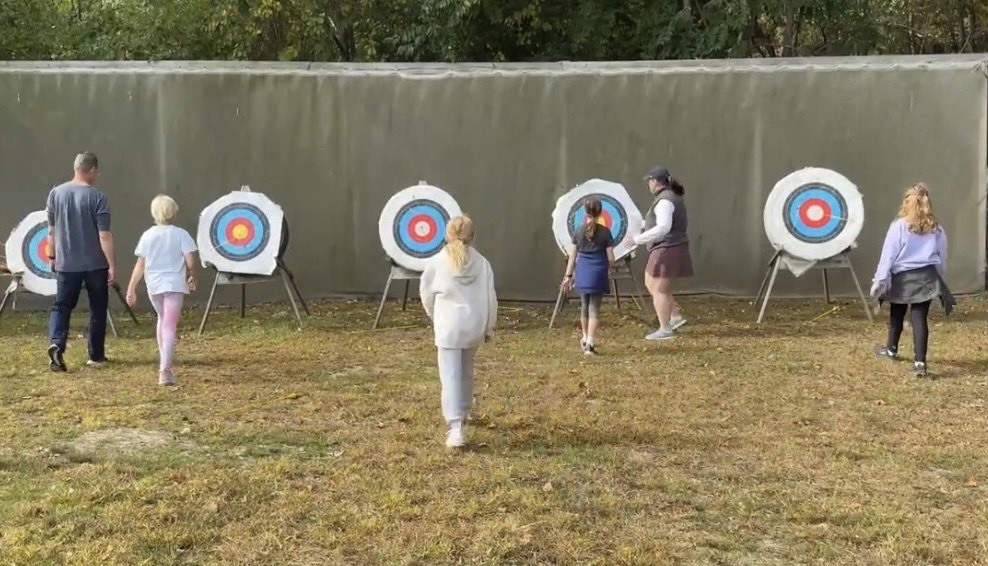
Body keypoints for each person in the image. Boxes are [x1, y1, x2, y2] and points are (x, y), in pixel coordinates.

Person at [419, 215, 497, 449]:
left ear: (446, 235)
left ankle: (456, 429)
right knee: (465, 370)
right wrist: (489, 326)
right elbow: (490, 298)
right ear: (472, 237)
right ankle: (463, 411)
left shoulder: (436, 262)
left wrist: (435, 316)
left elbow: (426, 296)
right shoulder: (482, 263)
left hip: (448, 327)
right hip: (474, 325)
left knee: (450, 375)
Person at [871, 183, 954, 377]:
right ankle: (919, 364)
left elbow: (888, 256)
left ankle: (891, 350)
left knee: (896, 316)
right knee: (919, 318)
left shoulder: (898, 227)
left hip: (902, 278)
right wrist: (941, 278)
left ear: (906, 203)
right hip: (926, 277)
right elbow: (942, 258)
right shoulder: (937, 228)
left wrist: (880, 280)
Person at [45, 152, 116, 371]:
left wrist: (52, 256)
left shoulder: (55, 194)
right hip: (95, 264)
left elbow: (51, 230)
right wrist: (111, 264)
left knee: (62, 306)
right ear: (92, 170)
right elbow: (104, 235)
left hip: (67, 264)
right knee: (97, 308)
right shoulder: (97, 197)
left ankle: (56, 344)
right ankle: (95, 356)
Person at [125, 195, 199, 386]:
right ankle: (164, 370)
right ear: (173, 213)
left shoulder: (148, 235)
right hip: (174, 285)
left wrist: (131, 288)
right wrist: (193, 275)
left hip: (154, 287)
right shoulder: (181, 234)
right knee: (169, 325)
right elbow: (190, 260)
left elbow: (140, 265)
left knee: (162, 319)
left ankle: (164, 360)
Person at [626, 166, 693, 340]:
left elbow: (663, 227)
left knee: (659, 289)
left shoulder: (665, 201)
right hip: (668, 247)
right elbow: (656, 223)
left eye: (649, 180)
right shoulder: (669, 197)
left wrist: (637, 240)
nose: (648, 184)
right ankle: (675, 317)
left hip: (667, 247)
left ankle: (665, 329)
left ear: (656, 181)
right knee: (652, 284)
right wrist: (640, 225)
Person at [561, 197, 615, 355]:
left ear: (585, 212)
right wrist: (610, 264)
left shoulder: (578, 230)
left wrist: (568, 275)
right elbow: (611, 258)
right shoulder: (605, 232)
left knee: (584, 305)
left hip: (582, 270)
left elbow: (572, 256)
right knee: (594, 308)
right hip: (598, 271)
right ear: (601, 212)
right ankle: (590, 341)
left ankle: (585, 338)